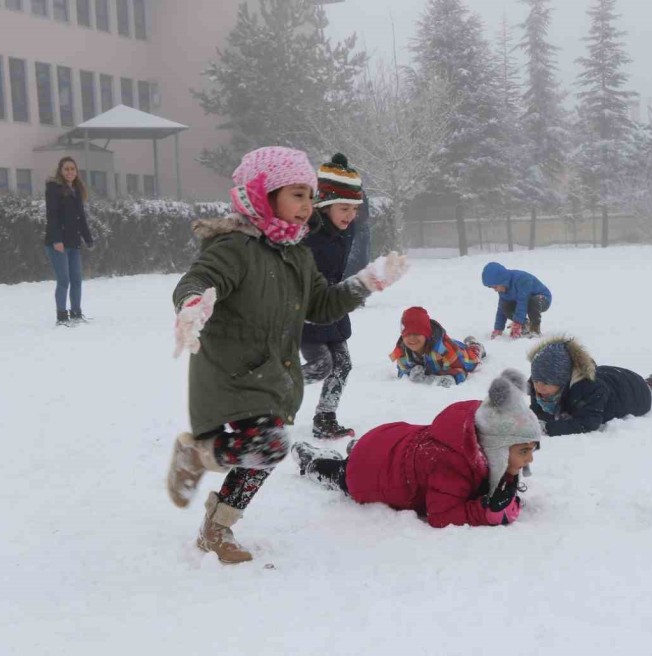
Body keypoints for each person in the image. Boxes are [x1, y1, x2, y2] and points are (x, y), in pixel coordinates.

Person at [164, 146, 409, 564]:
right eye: (297, 194)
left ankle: (215, 529)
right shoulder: (234, 246)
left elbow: (321, 305)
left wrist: (366, 282)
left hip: (272, 374)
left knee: (263, 454)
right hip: (232, 373)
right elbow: (199, 278)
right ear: (264, 192)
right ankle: (196, 455)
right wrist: (192, 305)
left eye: (310, 196)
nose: (307, 206)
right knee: (271, 445)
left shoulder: (296, 252)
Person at [292, 370, 539, 528]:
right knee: (343, 473)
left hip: (390, 440)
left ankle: (358, 449)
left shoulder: (482, 427)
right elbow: (441, 515)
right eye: (523, 451)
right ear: (496, 447)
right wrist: (483, 512)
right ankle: (313, 462)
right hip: (370, 472)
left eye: (530, 450)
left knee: (371, 455)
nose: (528, 461)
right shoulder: (451, 463)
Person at [300, 153, 365, 441]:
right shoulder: (306, 231)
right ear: (325, 205)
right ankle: (270, 391)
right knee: (320, 366)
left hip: (333, 305)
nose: (350, 215)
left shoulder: (346, 229)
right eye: (344, 208)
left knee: (343, 363)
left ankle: (325, 417)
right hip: (307, 310)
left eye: (354, 208)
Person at [528, 336, 652, 437]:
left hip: (635, 391)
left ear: (564, 381)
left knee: (644, 388)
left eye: (546, 383)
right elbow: (536, 410)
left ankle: (649, 384)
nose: (539, 388)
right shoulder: (537, 385)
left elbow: (588, 422)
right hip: (608, 374)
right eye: (536, 381)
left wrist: (548, 428)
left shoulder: (589, 390)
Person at [44, 156, 94, 326]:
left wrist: (88, 238)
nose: (70, 172)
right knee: (64, 280)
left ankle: (76, 312)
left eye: (73, 169)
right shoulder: (54, 188)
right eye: (66, 169)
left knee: (77, 280)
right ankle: (61, 315)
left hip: (73, 242)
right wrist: (57, 240)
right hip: (58, 243)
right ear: (60, 170)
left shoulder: (77, 190)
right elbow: (52, 216)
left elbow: (81, 217)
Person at [389, 306, 486, 388]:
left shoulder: (444, 350)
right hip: (446, 351)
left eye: (416, 334)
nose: (411, 339)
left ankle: (474, 345)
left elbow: (461, 371)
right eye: (407, 334)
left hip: (458, 354)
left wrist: (450, 377)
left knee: (473, 357)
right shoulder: (402, 351)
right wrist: (410, 374)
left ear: (426, 333)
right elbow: (402, 371)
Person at [481, 262, 552, 339]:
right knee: (505, 305)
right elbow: (501, 309)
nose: (495, 290)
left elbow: (522, 301)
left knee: (532, 302)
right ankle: (525, 324)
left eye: (495, 287)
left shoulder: (522, 279)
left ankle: (534, 330)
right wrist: (498, 328)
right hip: (525, 301)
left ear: (502, 281)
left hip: (542, 298)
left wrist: (517, 323)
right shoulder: (503, 288)